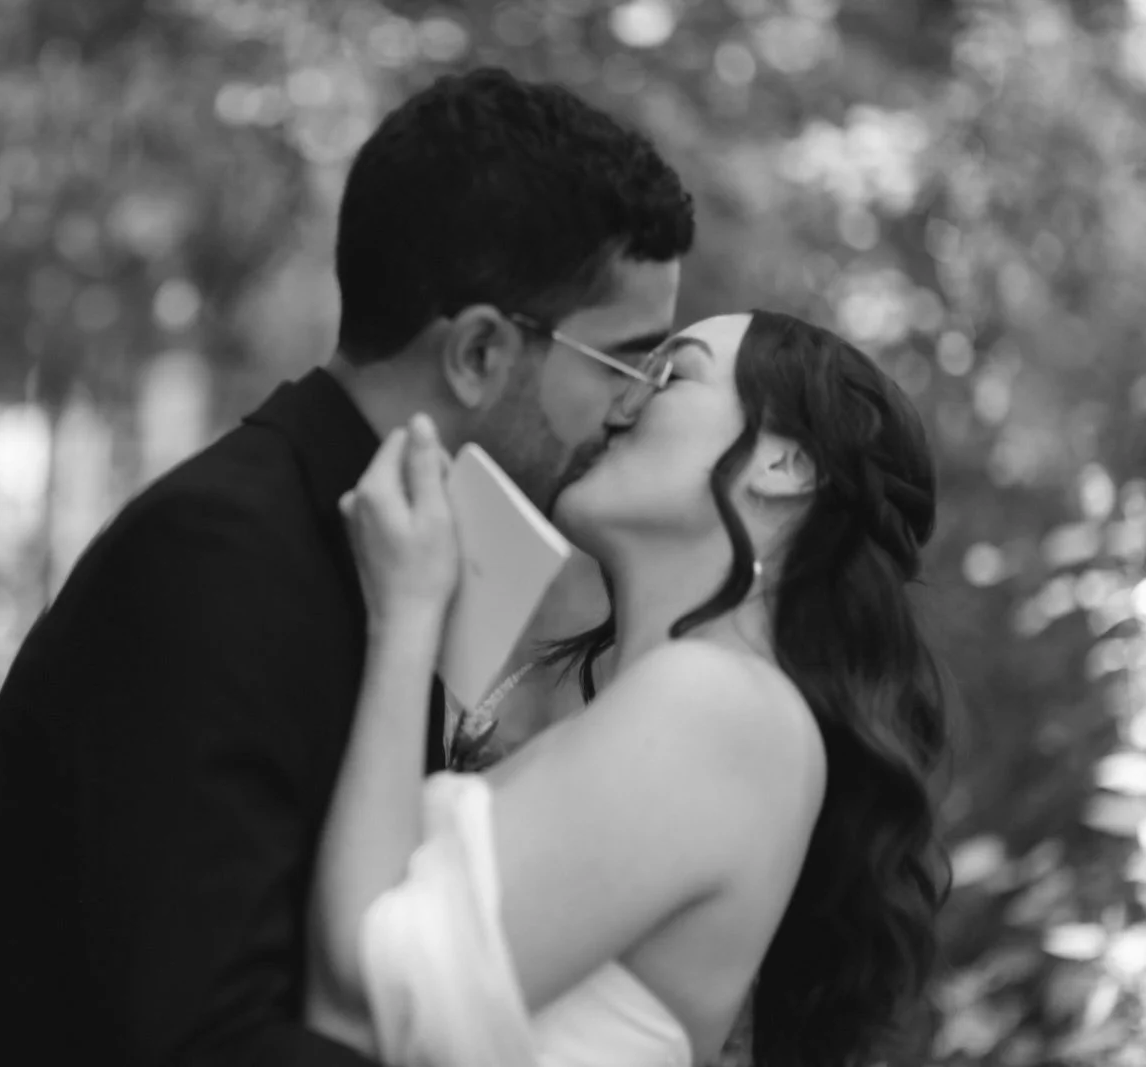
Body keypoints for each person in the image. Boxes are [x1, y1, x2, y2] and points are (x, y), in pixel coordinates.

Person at [0, 67, 695, 1066]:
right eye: (626, 365)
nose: (637, 408)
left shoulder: (401, 548)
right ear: (480, 354)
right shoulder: (215, 560)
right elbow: (206, 1032)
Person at [306, 311, 952, 1067]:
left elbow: (362, 990)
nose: (620, 400)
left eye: (671, 375)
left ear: (787, 466)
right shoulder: (706, 715)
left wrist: (406, 613)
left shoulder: (723, 706)